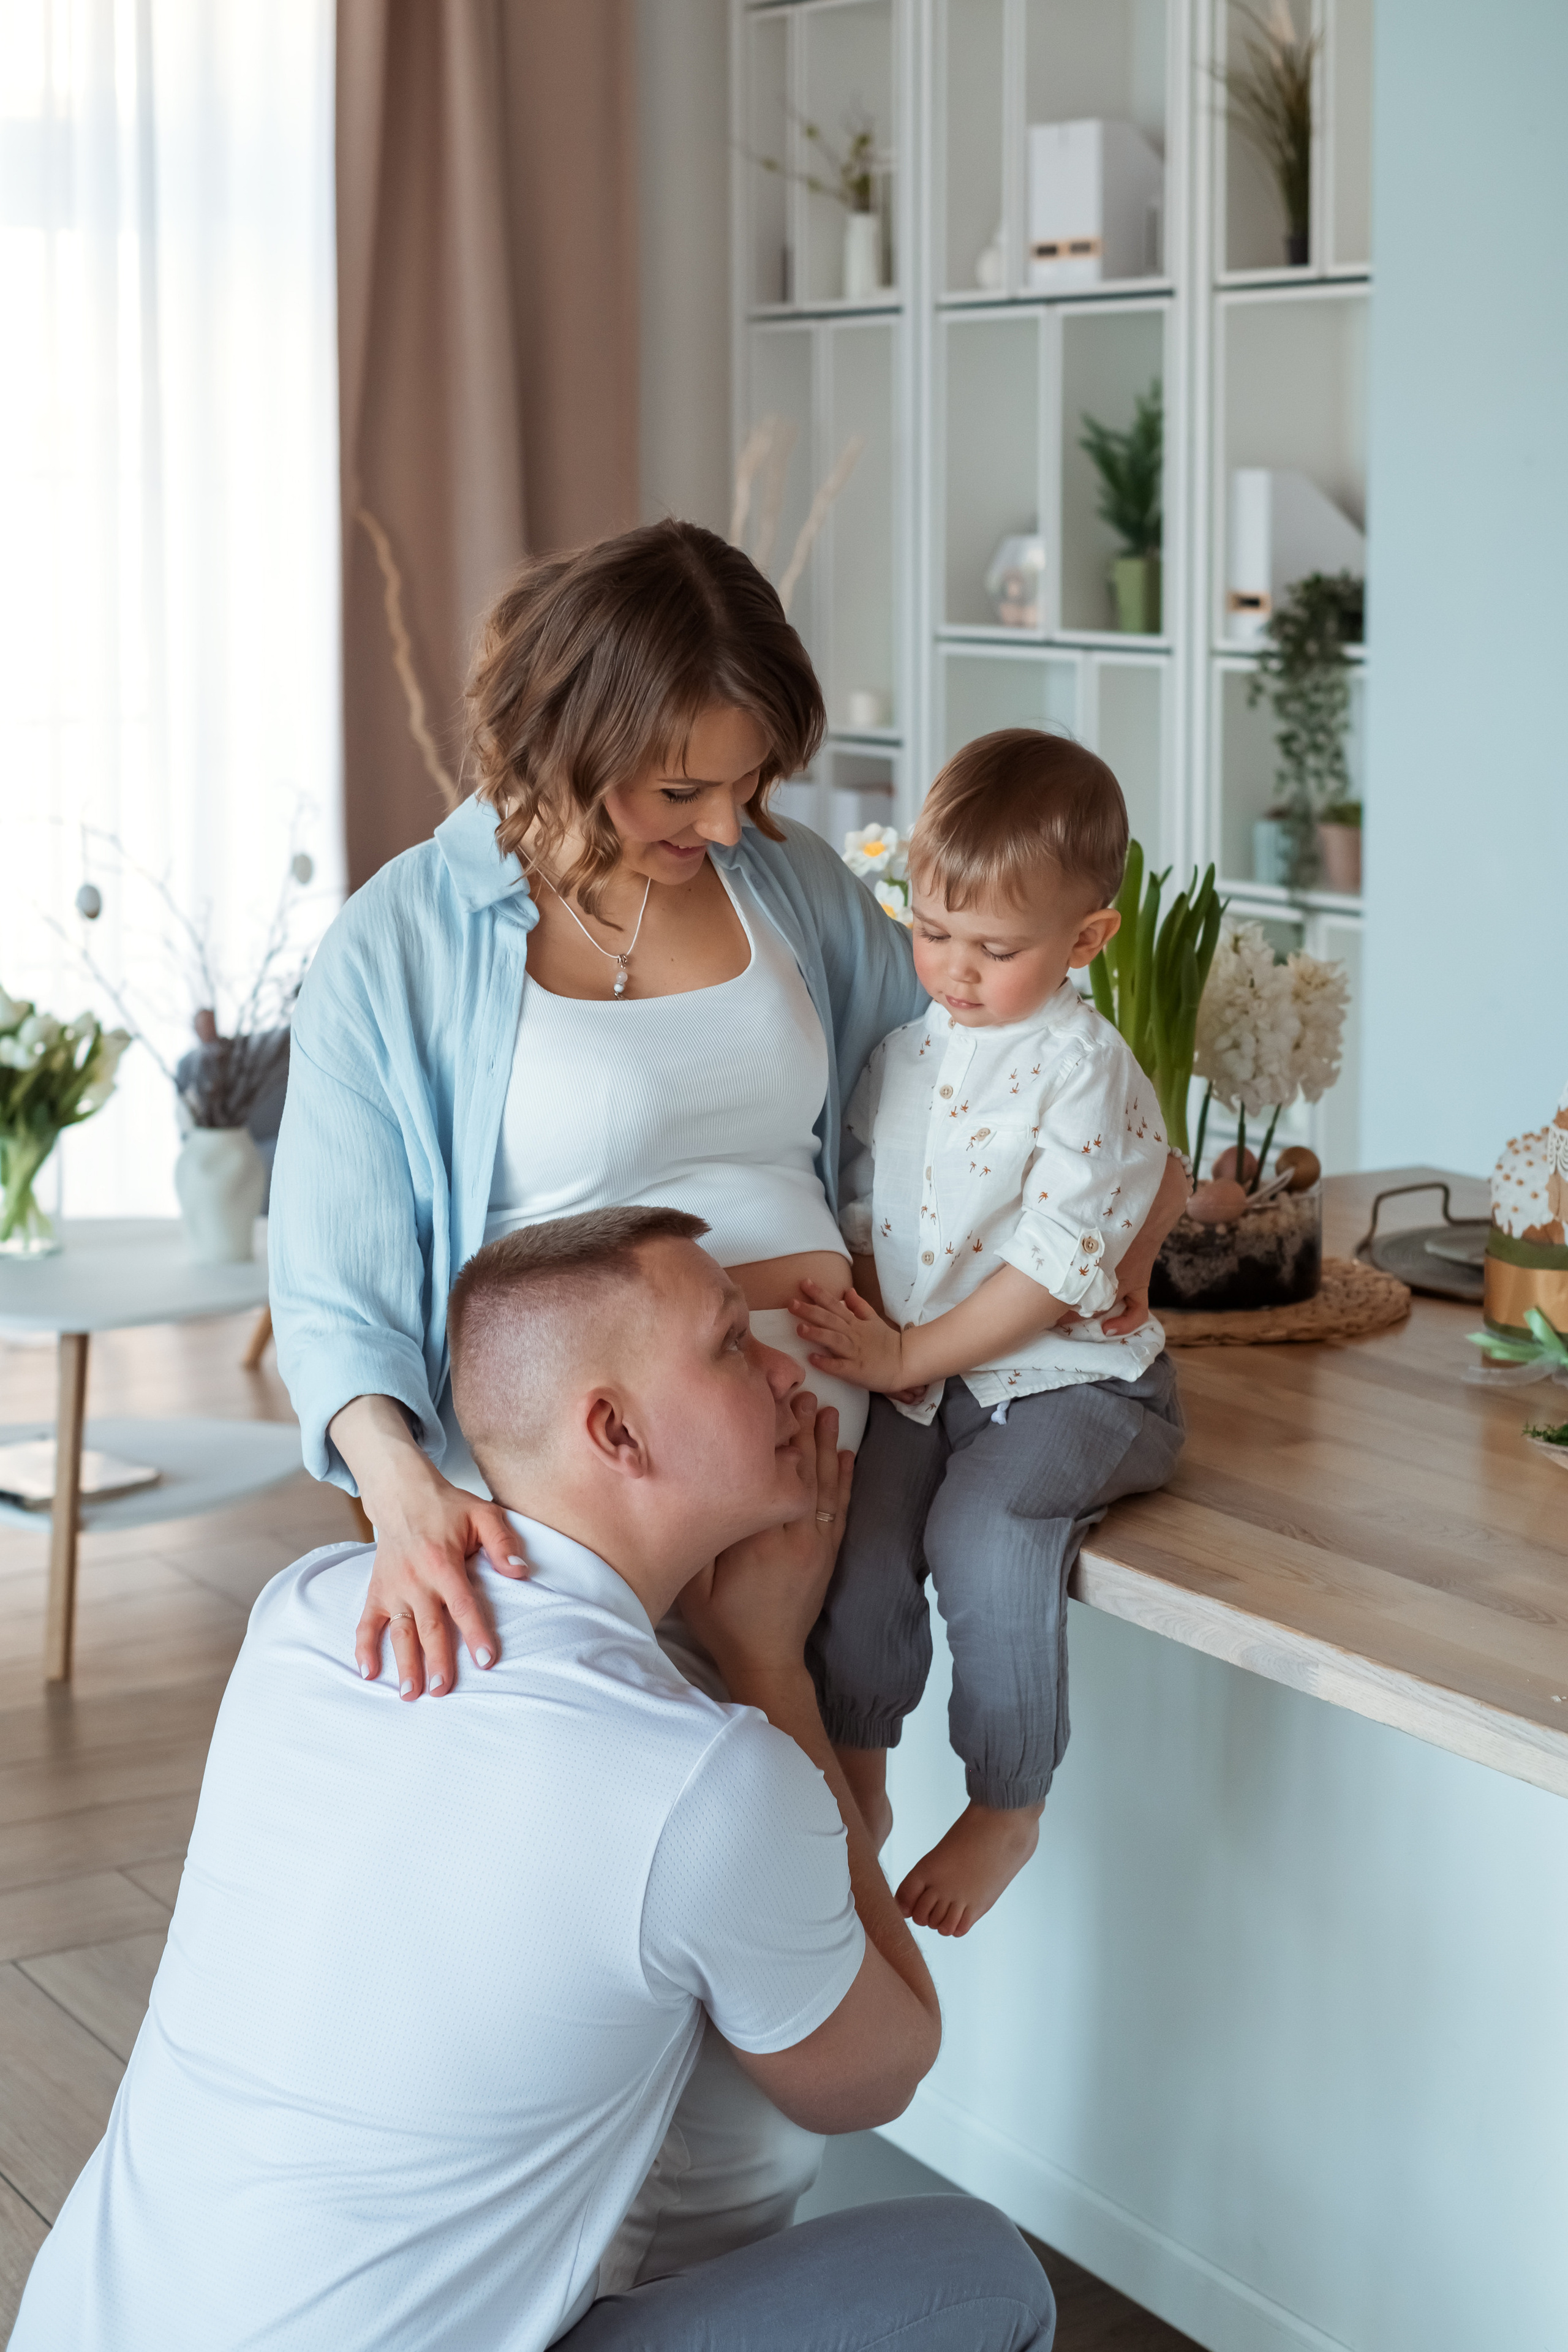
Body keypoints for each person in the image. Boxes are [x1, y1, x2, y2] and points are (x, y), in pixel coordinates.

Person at [268, 519, 1189, 2248]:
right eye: (673, 792)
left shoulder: (786, 892)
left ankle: (741, 2246)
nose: (717, 830)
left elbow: (997, 1084)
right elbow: (330, 1278)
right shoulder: (408, 940)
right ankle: (615, 2270)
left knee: (800, 1922)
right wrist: (400, 1489)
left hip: (843, 1464)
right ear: (564, 738)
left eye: (746, 786)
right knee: (628, 1966)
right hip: (603, 1504)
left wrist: (1118, 1229)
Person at [9, 1208, 1055, 2352]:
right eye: (728, 1343)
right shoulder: (705, 1784)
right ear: (614, 1430)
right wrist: (769, 1667)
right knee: (981, 2272)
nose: (779, 1364)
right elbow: (878, 2073)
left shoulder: (305, 1615)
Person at [793, 732, 1186, 1939]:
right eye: (932, 933)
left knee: (979, 1529)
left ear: (1084, 941)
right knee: (862, 1543)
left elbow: (1073, 1235)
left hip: (1074, 1388)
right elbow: (882, 1208)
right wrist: (871, 1314)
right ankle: (858, 1766)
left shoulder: (1079, 1066)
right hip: (935, 1384)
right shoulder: (907, 1056)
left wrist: (915, 1353)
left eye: (994, 950)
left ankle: (1006, 1799)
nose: (954, 971)